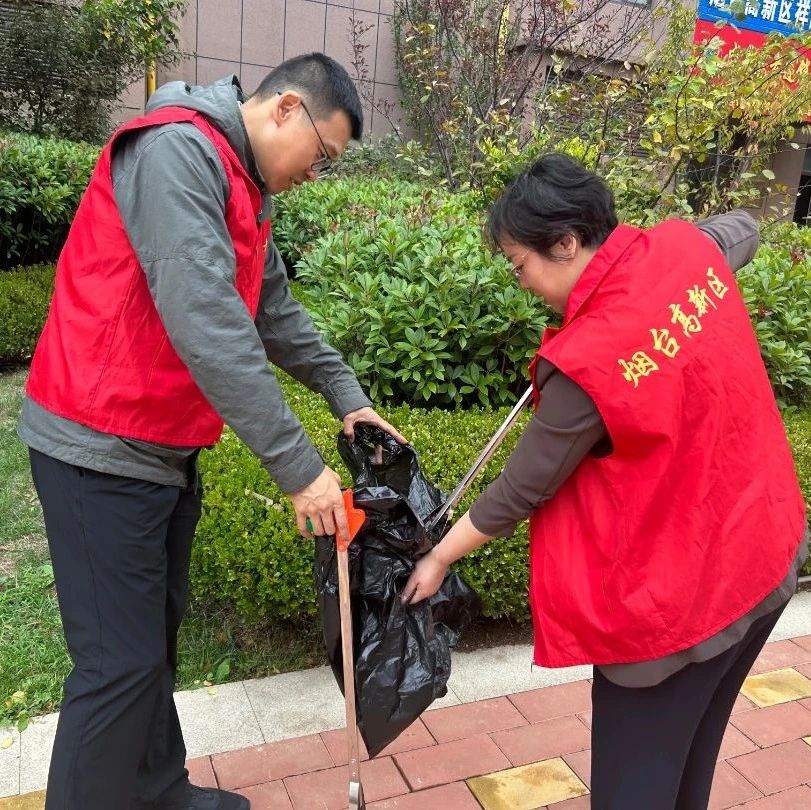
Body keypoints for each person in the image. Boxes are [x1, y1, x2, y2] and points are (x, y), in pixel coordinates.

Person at [19, 54, 405, 810]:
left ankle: (159, 792)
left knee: (148, 649)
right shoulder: (175, 151)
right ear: (286, 109)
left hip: (158, 452)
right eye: (321, 157)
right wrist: (299, 467)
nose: (314, 175)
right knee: (115, 669)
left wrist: (344, 396)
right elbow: (209, 323)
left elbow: (272, 313)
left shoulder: (243, 184)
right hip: (97, 449)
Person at [403, 153, 808, 810]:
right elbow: (742, 230)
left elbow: (522, 486)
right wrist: (680, 267)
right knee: (690, 759)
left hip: (678, 611)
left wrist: (437, 557)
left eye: (520, 265)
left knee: (633, 790)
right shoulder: (684, 246)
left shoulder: (588, 360)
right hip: (764, 552)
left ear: (564, 242)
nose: (520, 281)